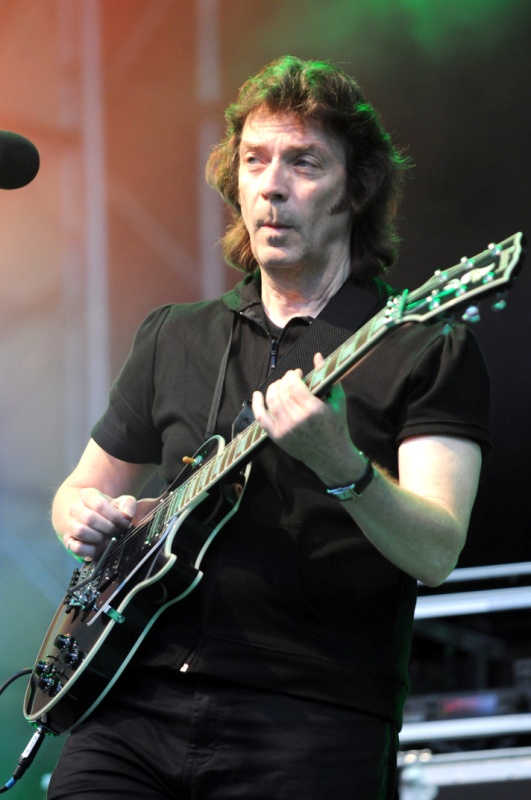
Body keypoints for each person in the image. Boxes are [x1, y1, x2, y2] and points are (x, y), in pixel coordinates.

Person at [47, 56, 490, 799]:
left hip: (311, 716)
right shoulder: (174, 334)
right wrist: (82, 515)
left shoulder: (424, 345)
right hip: (130, 703)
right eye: (253, 161)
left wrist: (342, 465)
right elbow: (76, 491)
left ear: (356, 189)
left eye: (303, 163)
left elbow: (435, 551)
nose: (270, 186)